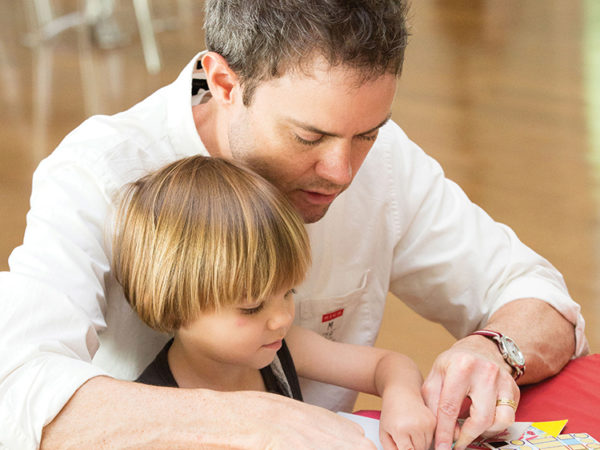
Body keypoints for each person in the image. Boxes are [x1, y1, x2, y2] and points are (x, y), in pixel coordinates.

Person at [0, 0, 587, 449]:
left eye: (368, 133)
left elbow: (537, 296)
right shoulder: (100, 173)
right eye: (309, 137)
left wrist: (493, 349)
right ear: (224, 83)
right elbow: (15, 393)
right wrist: (258, 422)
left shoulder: (378, 158)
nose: (342, 170)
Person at [112, 154, 435, 448]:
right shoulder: (159, 416)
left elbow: (387, 365)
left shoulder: (285, 348)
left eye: (288, 293)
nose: (282, 318)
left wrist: (402, 398)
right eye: (252, 307)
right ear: (175, 306)